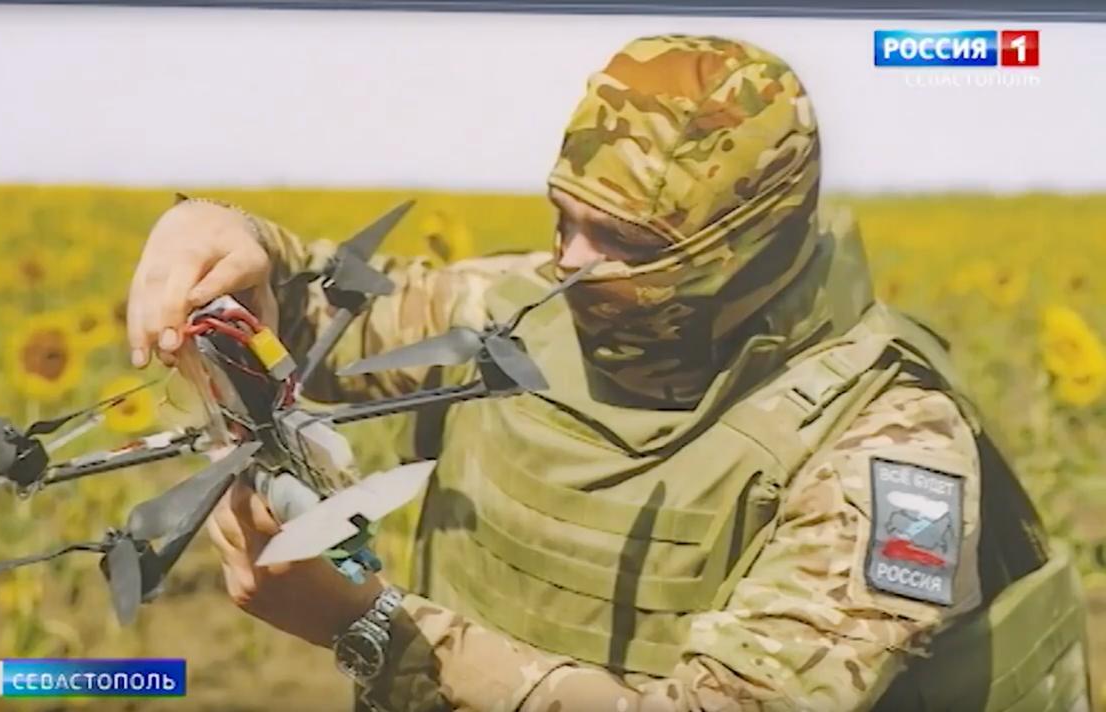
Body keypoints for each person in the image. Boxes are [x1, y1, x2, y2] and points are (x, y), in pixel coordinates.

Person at [126, 35, 1089, 712]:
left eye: (623, 243)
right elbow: (325, 325)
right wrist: (229, 240)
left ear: (745, 252)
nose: (571, 262)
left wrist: (374, 629)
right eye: (564, 217)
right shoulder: (524, 307)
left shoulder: (891, 449)